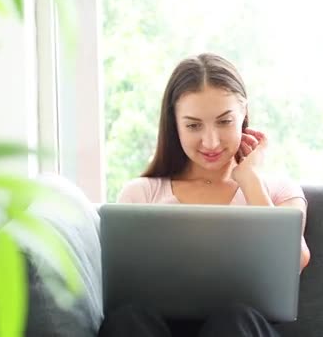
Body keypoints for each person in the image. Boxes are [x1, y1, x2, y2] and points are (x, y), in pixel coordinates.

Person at [98, 53, 310, 337]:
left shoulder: (278, 190)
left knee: (235, 320)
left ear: (243, 113)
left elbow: (296, 261)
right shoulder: (141, 192)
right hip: (155, 328)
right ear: (174, 123)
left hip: (242, 329)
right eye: (193, 125)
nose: (211, 141)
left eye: (224, 122)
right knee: (127, 321)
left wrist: (250, 180)